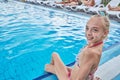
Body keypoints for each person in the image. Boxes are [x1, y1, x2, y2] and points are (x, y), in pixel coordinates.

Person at [45, 15, 110, 80]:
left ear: (105, 33)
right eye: (87, 28)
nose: (88, 33)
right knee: (54, 63)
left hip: (69, 78)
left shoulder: (90, 53)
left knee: (52, 59)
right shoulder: (98, 45)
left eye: (95, 30)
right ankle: (57, 70)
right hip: (74, 73)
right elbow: (91, 67)